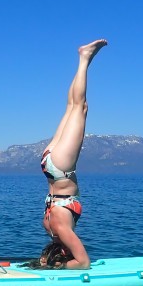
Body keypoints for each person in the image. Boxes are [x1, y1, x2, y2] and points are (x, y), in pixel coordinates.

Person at [40, 39, 108, 270]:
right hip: (52, 165)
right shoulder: (50, 228)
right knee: (73, 107)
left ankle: (84, 58)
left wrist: (57, 268)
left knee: (79, 107)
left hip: (61, 168)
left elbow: (84, 262)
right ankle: (83, 59)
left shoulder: (60, 229)